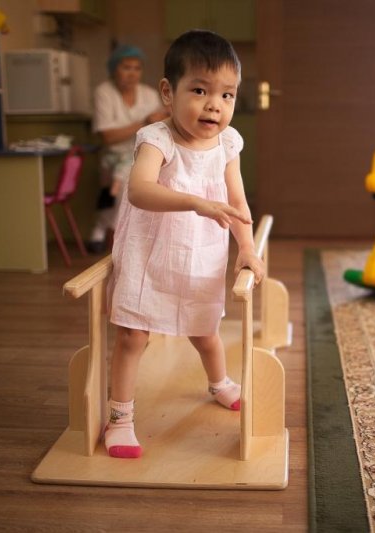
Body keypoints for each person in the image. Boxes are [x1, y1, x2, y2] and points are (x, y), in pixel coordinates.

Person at [103, 30, 265, 459]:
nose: (215, 105)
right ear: (167, 93)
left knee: (205, 331)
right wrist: (194, 202)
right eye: (199, 90)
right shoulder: (156, 138)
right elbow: (139, 190)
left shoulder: (227, 143)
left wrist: (247, 248)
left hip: (198, 255)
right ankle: (119, 418)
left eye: (227, 95)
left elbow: (237, 202)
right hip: (148, 254)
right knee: (132, 336)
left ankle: (219, 382)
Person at [88, 44, 169, 253]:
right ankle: (115, 232)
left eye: (137, 68)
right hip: (113, 156)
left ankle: (103, 229)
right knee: (125, 181)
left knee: (141, 176)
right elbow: (107, 137)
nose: (132, 73)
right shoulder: (104, 93)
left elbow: (161, 127)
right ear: (114, 69)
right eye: (126, 67)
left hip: (144, 154)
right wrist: (144, 122)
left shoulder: (149, 94)